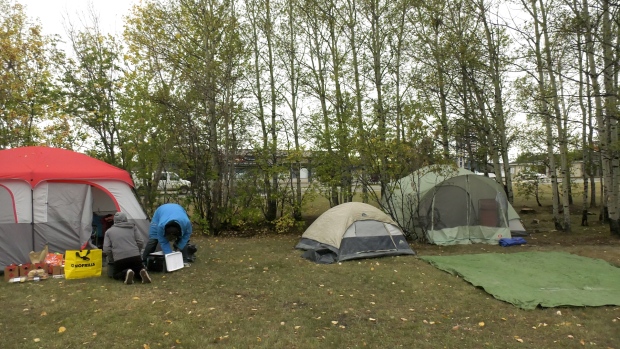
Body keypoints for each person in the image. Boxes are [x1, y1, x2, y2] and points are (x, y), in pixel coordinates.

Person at [102, 212, 152, 285]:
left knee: (116, 274)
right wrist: (137, 252)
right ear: (125, 219)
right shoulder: (133, 227)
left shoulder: (108, 232)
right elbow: (140, 242)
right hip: (135, 257)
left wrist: (112, 258)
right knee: (137, 268)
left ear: (114, 220)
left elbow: (106, 249)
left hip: (119, 259)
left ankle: (126, 273)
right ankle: (141, 271)